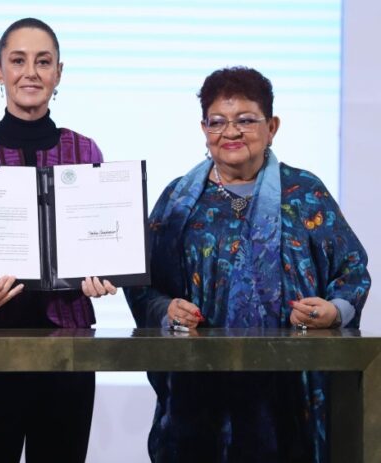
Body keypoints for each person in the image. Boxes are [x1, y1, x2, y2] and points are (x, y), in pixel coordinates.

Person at [124, 66, 371, 462]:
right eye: (217, 121)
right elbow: (141, 280)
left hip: (289, 391)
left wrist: (334, 310)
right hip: (197, 390)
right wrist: (164, 310)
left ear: (272, 126)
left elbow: (352, 270)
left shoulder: (305, 192)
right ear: (203, 129)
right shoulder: (177, 202)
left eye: (246, 120)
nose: (231, 132)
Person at [0, 17, 116, 463]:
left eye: (43, 61)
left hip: (68, 348)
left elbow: (103, 241)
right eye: (18, 61)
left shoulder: (85, 151)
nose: (30, 72)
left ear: (58, 73)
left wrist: (106, 272)